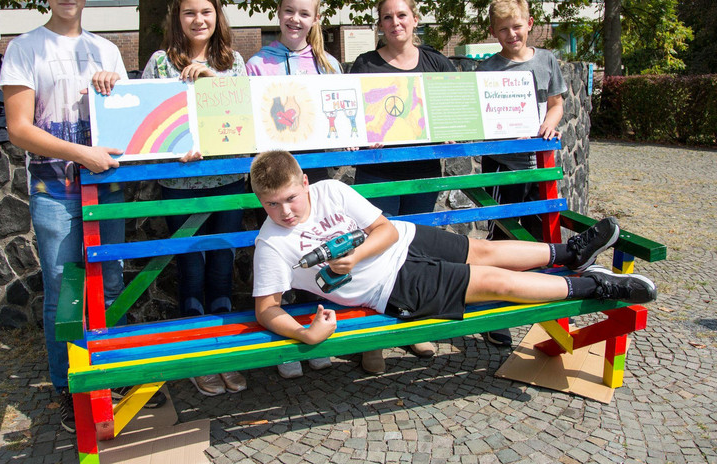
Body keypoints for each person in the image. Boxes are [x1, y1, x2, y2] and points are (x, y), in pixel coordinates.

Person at [250, 151, 657, 360]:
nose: (285, 212)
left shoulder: (330, 191)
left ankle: (571, 252)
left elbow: (386, 230)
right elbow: (266, 309)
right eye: (272, 205)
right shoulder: (272, 245)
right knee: (496, 283)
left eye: (291, 198)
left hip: (405, 240)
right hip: (392, 286)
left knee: (486, 250)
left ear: (304, 181)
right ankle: (595, 284)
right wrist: (305, 333)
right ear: (260, 202)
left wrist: (353, 258)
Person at [0, 0, 165, 434]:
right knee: (62, 292)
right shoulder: (25, 48)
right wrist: (80, 153)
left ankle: (103, 376)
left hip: (105, 187)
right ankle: (69, 387)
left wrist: (114, 87)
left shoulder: (107, 50)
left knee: (109, 283)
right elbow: (19, 129)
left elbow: (128, 117)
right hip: (56, 189)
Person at [141, 0, 247, 397]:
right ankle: (200, 359)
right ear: (177, 18)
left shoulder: (234, 61)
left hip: (229, 182)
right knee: (190, 268)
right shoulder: (160, 63)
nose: (198, 19)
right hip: (180, 183)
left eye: (206, 11)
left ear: (217, 15)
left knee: (223, 266)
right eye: (189, 12)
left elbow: (242, 119)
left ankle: (225, 355)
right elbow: (149, 128)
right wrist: (171, 150)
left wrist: (212, 83)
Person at [348, 0, 457, 370]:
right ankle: (372, 337)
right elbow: (351, 117)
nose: (396, 23)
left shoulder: (437, 63)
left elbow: (454, 110)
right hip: (377, 170)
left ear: (415, 19)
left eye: (402, 16)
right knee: (373, 247)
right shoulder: (364, 64)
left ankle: (413, 326)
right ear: (379, 25)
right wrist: (362, 133)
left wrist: (450, 130)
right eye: (388, 17)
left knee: (419, 248)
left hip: (421, 172)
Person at [245, 0, 342, 379]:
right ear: (279, 12)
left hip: (312, 175)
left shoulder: (328, 64)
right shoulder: (257, 64)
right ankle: (286, 344)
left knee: (314, 255)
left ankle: (313, 330)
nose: (295, 19)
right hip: (274, 178)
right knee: (277, 260)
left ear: (316, 19)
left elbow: (340, 114)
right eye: (289, 11)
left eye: (304, 13)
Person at [475, 0, 569, 347]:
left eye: (517, 27)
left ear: (529, 25)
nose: (512, 35)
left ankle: (538, 301)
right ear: (493, 32)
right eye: (503, 30)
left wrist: (549, 123)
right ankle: (496, 310)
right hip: (504, 166)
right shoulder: (487, 69)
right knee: (502, 238)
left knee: (541, 237)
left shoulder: (546, 61)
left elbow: (557, 103)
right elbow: (479, 117)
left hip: (540, 165)